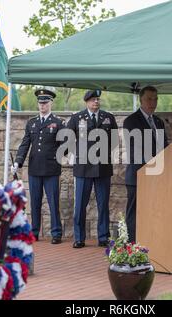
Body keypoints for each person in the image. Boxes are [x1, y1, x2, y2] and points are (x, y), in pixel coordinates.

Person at [66, 89, 118, 248]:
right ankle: (79, 238)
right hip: (83, 167)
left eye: (97, 99)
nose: (96, 102)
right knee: (81, 204)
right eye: (93, 99)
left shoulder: (108, 118)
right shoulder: (77, 118)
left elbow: (114, 140)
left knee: (103, 204)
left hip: (102, 167)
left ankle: (103, 237)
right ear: (86, 102)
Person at [12, 88, 65, 244]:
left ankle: (56, 233)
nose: (43, 106)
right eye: (40, 103)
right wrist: (18, 161)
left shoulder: (58, 123)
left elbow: (65, 144)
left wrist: (61, 156)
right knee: (35, 202)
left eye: (45, 103)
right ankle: (34, 232)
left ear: (51, 103)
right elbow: (25, 143)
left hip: (51, 169)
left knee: (53, 202)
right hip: (35, 168)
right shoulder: (32, 123)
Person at [123, 86, 169, 243]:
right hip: (138, 177)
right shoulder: (131, 121)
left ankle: (151, 244)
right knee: (134, 214)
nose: (153, 102)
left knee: (153, 212)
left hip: (157, 177)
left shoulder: (159, 122)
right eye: (149, 98)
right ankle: (132, 247)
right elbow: (139, 147)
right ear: (140, 99)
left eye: (155, 99)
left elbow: (165, 147)